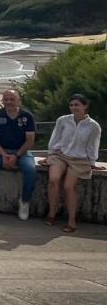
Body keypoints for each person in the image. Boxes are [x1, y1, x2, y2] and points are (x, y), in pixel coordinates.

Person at [42, 94, 102, 233]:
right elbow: (55, 137)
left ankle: (71, 221)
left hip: (80, 159)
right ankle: (52, 213)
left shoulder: (93, 126)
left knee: (69, 187)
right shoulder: (63, 120)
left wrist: (92, 161)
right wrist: (50, 154)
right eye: (71, 105)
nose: (74, 107)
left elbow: (93, 145)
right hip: (60, 155)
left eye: (77, 105)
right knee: (54, 179)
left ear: (85, 106)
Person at [0, 89, 37, 220]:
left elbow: (30, 141)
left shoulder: (27, 116)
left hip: (22, 151)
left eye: (12, 99)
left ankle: (25, 201)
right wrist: (3, 154)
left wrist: (16, 156)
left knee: (31, 170)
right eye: (6, 99)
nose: (9, 102)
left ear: (19, 100)